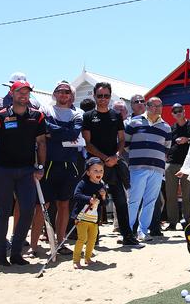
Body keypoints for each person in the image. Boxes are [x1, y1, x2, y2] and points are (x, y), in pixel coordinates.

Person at [0, 81, 46, 266]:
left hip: (27, 171)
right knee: (3, 212)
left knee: (27, 210)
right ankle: (1, 253)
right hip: (4, 170)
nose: (23, 95)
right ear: (12, 93)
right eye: (20, 92)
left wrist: (40, 167)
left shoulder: (37, 117)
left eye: (26, 92)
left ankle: (17, 252)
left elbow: (41, 143)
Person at [82, 82, 140, 247]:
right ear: (94, 96)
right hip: (95, 164)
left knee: (121, 201)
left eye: (106, 96)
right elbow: (87, 143)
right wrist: (103, 158)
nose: (103, 99)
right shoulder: (88, 116)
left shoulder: (116, 115)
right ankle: (93, 239)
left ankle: (128, 237)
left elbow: (122, 139)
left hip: (113, 164)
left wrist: (115, 156)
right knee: (94, 202)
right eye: (100, 96)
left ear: (110, 96)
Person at [31, 81, 83, 256]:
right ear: (54, 94)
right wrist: (62, 132)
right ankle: (34, 246)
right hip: (49, 164)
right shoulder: (46, 110)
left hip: (69, 165)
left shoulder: (77, 114)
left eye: (67, 92)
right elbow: (45, 128)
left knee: (63, 204)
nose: (63, 94)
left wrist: (54, 133)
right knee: (41, 206)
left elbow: (74, 134)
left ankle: (60, 242)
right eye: (59, 91)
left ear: (71, 95)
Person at [125, 97, 171, 242]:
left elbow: (166, 147)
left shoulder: (166, 127)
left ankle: (142, 232)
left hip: (157, 169)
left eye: (160, 105)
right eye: (153, 105)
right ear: (147, 106)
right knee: (134, 200)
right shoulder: (134, 122)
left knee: (150, 202)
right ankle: (128, 231)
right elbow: (126, 144)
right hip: (137, 167)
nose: (157, 108)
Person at [164, 103, 190, 230]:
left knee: (187, 194)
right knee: (170, 195)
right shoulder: (171, 128)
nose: (178, 113)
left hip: (187, 165)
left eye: (180, 110)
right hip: (172, 163)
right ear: (172, 114)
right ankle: (172, 222)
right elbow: (167, 144)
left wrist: (186, 140)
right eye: (175, 111)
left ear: (184, 111)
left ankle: (188, 222)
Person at [72, 157, 107, 269]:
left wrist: (103, 196)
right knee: (82, 239)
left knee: (92, 239)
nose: (99, 173)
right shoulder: (83, 183)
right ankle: (76, 260)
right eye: (95, 170)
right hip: (82, 217)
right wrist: (88, 199)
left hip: (94, 219)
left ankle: (88, 258)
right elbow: (76, 195)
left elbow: (103, 204)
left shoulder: (101, 186)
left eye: (101, 170)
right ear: (88, 172)